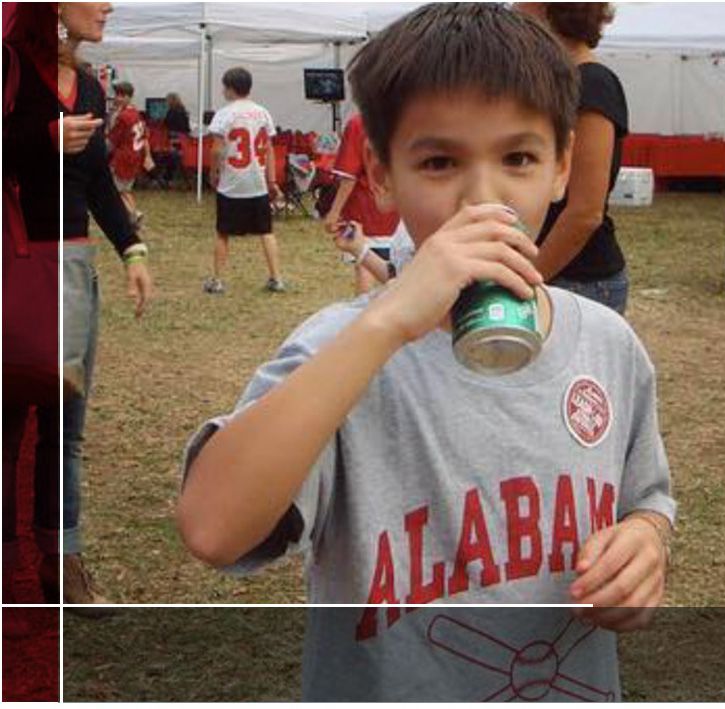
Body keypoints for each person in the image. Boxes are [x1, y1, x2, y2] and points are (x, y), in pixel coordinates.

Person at [177, 4, 674, 702]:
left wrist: (645, 542)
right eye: (439, 162)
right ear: (382, 176)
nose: (483, 198)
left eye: (519, 158)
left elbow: (645, 498)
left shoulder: (608, 345)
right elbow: (213, 528)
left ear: (562, 167)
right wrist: (386, 322)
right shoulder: (340, 352)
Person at [3, 2, 153, 608]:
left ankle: (61, 562)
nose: (109, 5)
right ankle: (8, 571)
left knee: (65, 430)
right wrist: (43, 138)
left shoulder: (89, 84)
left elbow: (95, 182)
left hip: (74, 270)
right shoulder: (9, 65)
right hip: (17, 268)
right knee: (9, 428)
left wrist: (132, 249)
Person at [514, 2, 630, 315]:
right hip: (551, 272)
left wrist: (525, 280)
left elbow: (585, 212)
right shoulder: (556, 81)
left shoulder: (592, 84)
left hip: (578, 280)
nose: (512, 8)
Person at [203, 67, 285, 294]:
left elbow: (217, 149)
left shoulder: (224, 114)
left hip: (232, 182)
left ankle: (217, 279)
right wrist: (271, 181)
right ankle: (276, 277)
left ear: (230, 88)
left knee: (223, 232)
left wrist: (213, 173)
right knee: (266, 231)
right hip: (257, 182)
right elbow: (269, 149)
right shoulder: (263, 113)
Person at [323, 113, 400, 294]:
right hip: (403, 212)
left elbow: (349, 175)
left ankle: (365, 308)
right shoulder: (408, 116)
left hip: (366, 211)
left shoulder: (358, 123)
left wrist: (334, 212)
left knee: (364, 264)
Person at [107, 81, 152, 228]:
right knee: (125, 190)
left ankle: (134, 214)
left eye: (122, 95)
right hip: (135, 156)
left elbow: (112, 140)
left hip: (123, 158)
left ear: (129, 97)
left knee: (115, 190)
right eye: (117, 95)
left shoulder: (123, 116)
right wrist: (147, 156)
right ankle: (133, 219)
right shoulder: (136, 114)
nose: (118, 98)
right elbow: (145, 137)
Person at [161, 91, 190, 187]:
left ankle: (167, 178)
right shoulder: (183, 110)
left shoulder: (172, 111)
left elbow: (166, 124)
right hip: (183, 139)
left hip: (175, 138)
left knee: (170, 157)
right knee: (175, 158)